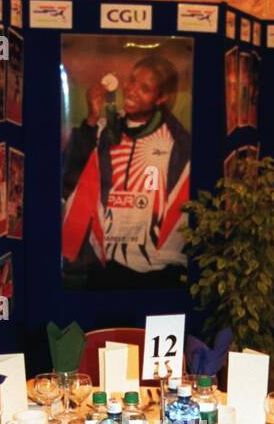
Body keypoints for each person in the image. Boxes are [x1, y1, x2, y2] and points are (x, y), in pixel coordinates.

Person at [62, 53, 191, 288]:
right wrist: (91, 117)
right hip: (105, 268)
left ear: (161, 98)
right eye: (131, 80)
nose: (131, 90)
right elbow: (68, 175)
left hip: (159, 272)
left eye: (145, 88)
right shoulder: (103, 131)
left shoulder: (178, 144)